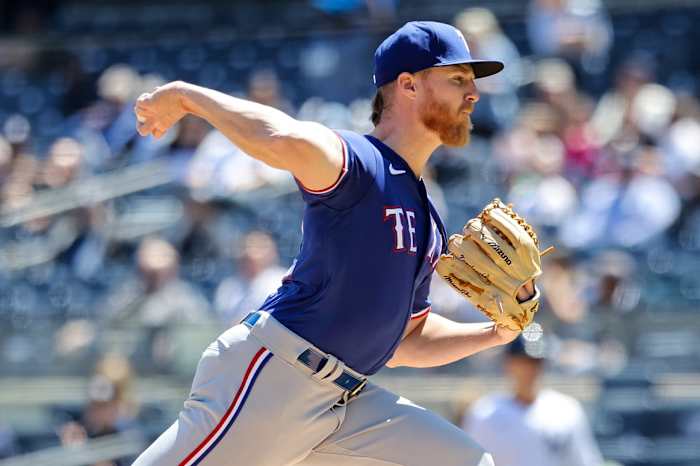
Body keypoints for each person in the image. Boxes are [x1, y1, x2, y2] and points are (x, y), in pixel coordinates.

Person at [132, 21, 536, 466]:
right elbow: (282, 137)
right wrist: (188, 97)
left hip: (347, 404)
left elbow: (405, 340)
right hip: (276, 378)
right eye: (457, 79)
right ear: (408, 85)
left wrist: (493, 333)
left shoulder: (428, 216)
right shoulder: (360, 162)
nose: (473, 94)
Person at [462, 336, 603, 466]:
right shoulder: (484, 412)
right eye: (523, 361)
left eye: (536, 361)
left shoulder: (566, 410)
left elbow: (584, 462)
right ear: (509, 363)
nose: (530, 369)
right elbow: (470, 462)